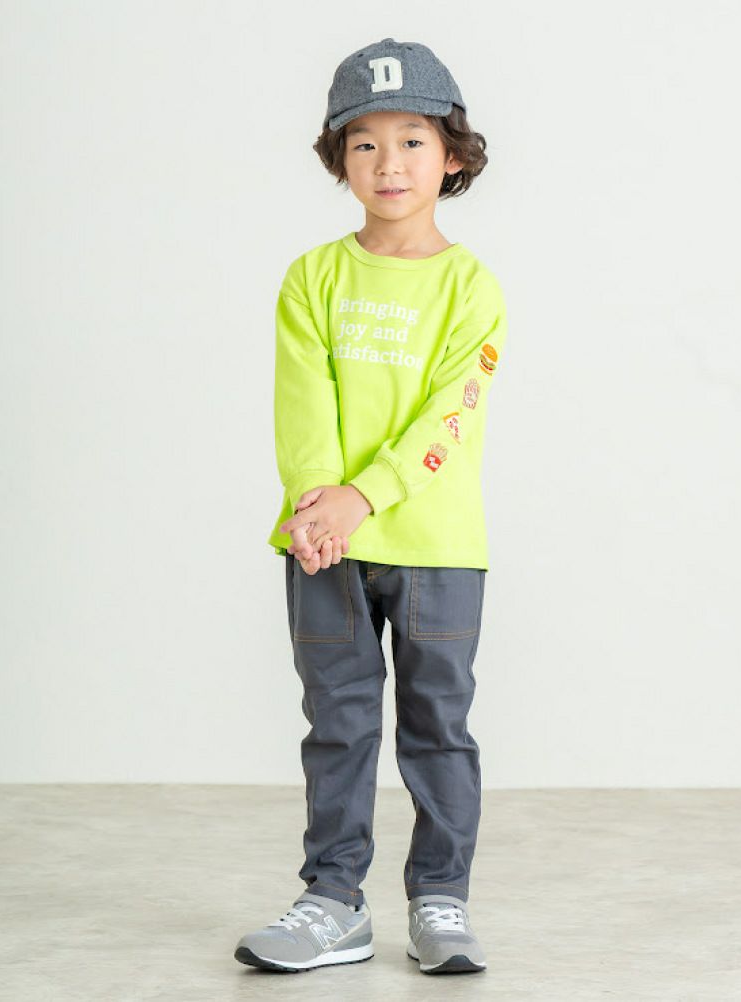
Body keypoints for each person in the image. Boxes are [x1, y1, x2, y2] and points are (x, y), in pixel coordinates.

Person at [234, 36, 507, 976]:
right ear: (338, 158)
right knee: (339, 725)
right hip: (323, 547)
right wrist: (319, 507)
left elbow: (449, 416)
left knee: (438, 729)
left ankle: (440, 900)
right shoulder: (313, 277)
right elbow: (302, 402)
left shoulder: (470, 287)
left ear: (454, 156)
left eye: (413, 141)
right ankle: (332, 901)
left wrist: (364, 496)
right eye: (365, 143)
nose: (389, 163)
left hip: (438, 549)